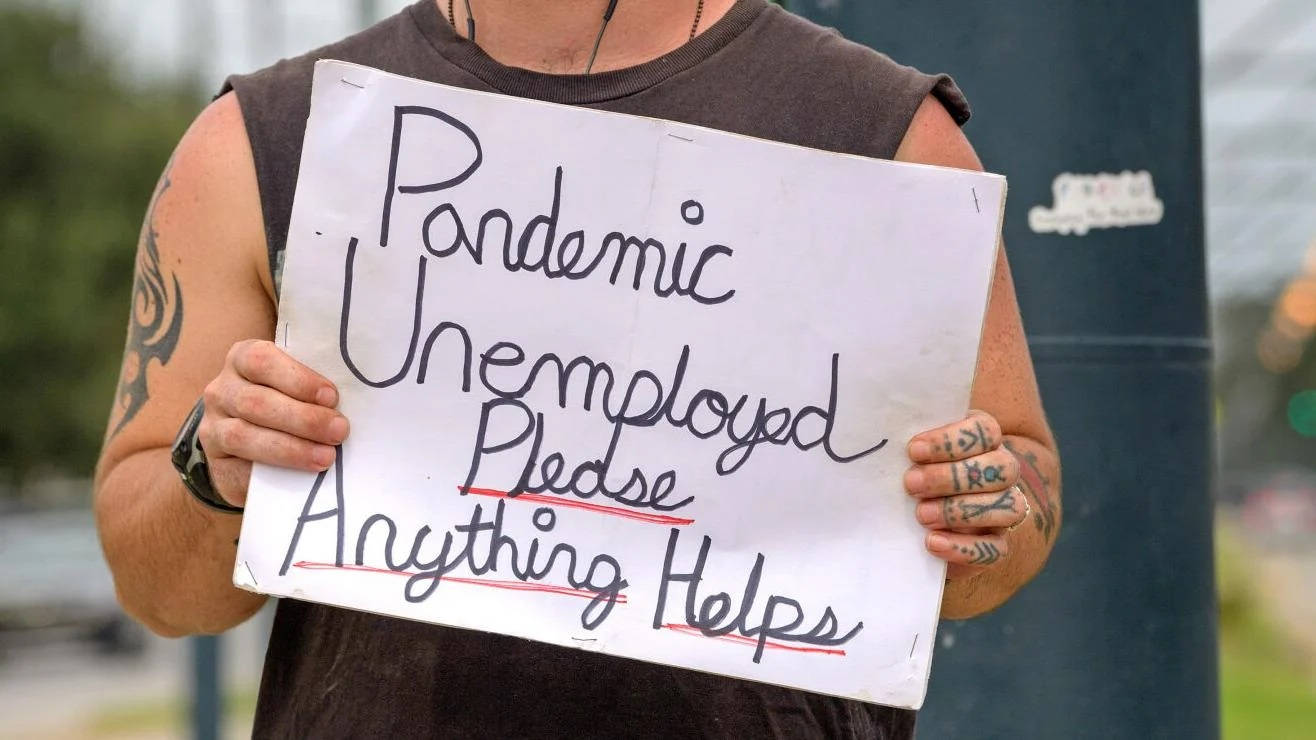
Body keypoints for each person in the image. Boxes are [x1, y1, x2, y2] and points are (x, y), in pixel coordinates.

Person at [94, 1, 1062, 737]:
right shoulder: (265, 139)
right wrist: (214, 467)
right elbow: (163, 592)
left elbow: (1007, 519)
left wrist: (978, 505)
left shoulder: (888, 136)